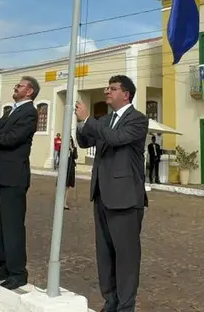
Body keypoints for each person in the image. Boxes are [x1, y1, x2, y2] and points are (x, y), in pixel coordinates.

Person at [75, 74, 149, 312]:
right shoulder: (105, 120)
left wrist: (89, 119)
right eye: (107, 88)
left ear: (126, 94)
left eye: (113, 88)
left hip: (126, 197)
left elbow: (117, 139)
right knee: (105, 255)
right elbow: (85, 141)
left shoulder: (137, 120)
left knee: (126, 257)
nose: (107, 91)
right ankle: (110, 302)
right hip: (102, 195)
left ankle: (126, 306)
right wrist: (80, 123)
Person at [0, 77, 38, 291]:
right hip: (1, 174)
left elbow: (11, 138)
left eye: (19, 86)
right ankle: (3, 266)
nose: (15, 87)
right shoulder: (12, 110)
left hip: (14, 176)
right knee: (1, 225)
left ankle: (18, 272)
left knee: (13, 227)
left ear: (29, 91)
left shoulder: (30, 113)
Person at [65, 137, 78, 210]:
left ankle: (65, 203)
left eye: (70, 141)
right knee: (63, 186)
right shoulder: (63, 148)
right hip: (64, 168)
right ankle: (61, 201)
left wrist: (71, 149)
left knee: (67, 186)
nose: (69, 142)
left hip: (70, 168)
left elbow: (75, 156)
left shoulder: (74, 148)